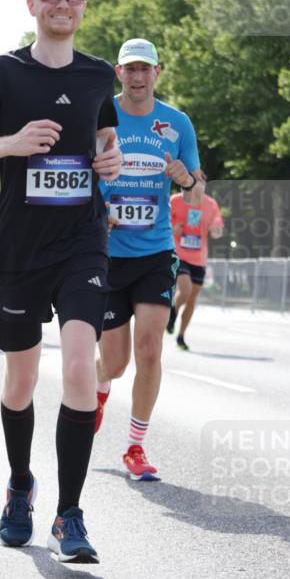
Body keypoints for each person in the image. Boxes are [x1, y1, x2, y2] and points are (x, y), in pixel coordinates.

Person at [0, 0, 122, 563]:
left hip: (82, 241)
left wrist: (111, 160)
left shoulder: (100, 76)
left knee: (78, 369)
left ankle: (69, 515)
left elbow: (105, 138)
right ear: (32, 7)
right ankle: (21, 484)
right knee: (20, 381)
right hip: (19, 248)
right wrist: (9, 145)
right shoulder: (1, 73)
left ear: (83, 7)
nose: (62, 4)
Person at [96, 38, 202, 481]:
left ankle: (135, 446)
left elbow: (196, 186)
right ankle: (98, 391)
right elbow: (82, 173)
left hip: (156, 251)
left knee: (150, 350)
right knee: (116, 362)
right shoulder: (102, 116)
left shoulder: (176, 123)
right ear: (119, 73)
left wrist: (186, 176)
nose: (138, 77)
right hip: (106, 255)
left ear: (158, 72)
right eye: (130, 69)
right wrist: (98, 214)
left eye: (146, 69)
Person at [169, 178, 224, 349]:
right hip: (179, 253)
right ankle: (173, 313)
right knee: (185, 290)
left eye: (202, 184)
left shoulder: (210, 204)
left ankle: (181, 336)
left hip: (199, 257)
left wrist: (216, 231)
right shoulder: (175, 200)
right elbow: (162, 222)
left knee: (192, 299)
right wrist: (173, 229)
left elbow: (217, 226)